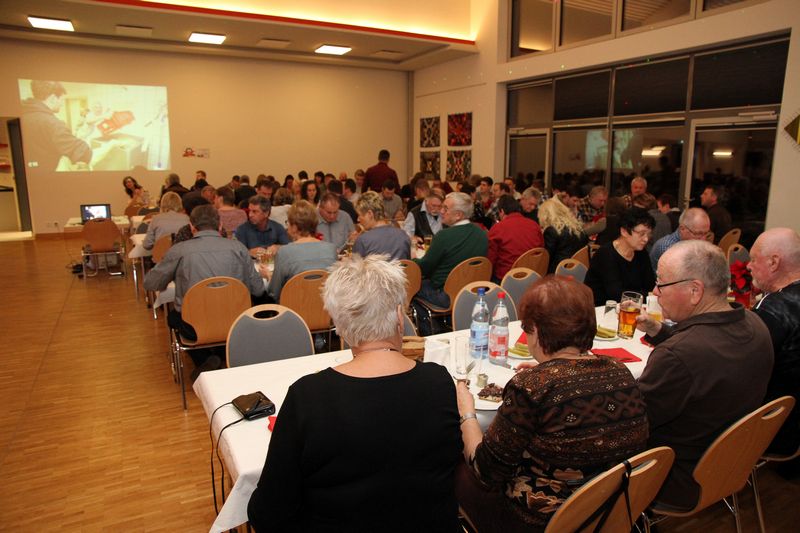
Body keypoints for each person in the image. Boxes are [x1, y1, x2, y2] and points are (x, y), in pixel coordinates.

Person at [248, 255, 462, 530]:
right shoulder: (439, 381)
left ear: (340, 326)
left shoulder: (308, 396)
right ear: (400, 317)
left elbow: (268, 512)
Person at [456, 276, 648, 531]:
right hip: (610, 510)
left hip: (546, 523)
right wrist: (548, 370)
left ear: (535, 332)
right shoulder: (619, 370)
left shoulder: (530, 387)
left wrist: (466, 413)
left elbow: (486, 471)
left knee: (453, 466)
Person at [636, 240, 773, 509]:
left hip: (674, 478)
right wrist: (660, 331)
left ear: (695, 291)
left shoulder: (678, 356)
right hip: (728, 465)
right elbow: (705, 346)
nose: (655, 291)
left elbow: (632, 422)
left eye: (661, 283)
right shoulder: (756, 324)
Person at [143, 205, 265, 373]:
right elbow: (258, 289)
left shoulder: (179, 251)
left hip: (195, 326)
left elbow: (150, 284)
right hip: (236, 323)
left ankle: (204, 360)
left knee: (173, 317)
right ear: (220, 225)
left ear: (192, 227)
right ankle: (222, 355)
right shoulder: (239, 248)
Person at [749, 228, 800, 459]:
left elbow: (741, 363)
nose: (748, 266)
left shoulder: (775, 309)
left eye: (753, 259)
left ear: (773, 262)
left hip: (773, 427)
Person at [413, 192, 488, 334]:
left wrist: (412, 259)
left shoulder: (444, 236)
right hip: (473, 292)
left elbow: (424, 268)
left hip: (445, 295)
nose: (441, 211)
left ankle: (431, 332)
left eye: (445, 208)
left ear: (458, 215)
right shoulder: (482, 234)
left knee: (411, 286)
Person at [264, 200, 338, 302]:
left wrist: (269, 276)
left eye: (288, 223)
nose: (287, 227)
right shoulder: (331, 249)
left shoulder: (285, 252)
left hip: (292, 310)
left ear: (294, 227)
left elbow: (273, 293)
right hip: (324, 308)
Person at [584, 208, 656, 305]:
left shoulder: (641, 253)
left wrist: (651, 294)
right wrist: (649, 296)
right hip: (601, 308)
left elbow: (650, 285)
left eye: (649, 234)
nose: (646, 239)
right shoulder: (606, 254)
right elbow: (616, 294)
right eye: (641, 234)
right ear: (624, 231)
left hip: (629, 307)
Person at [21, 80, 92, 171]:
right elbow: (81, 151)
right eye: (61, 100)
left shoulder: (22, 115)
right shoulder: (53, 124)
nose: (62, 104)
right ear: (53, 98)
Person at [487, 195, 544, 282]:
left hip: (506, 278)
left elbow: (490, 260)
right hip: (532, 276)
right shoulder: (534, 225)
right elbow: (541, 250)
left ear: (502, 211)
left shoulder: (497, 229)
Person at [352, 191, 410, 260]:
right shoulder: (403, 235)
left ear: (370, 214)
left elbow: (355, 266)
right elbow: (408, 264)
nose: (358, 219)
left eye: (359, 215)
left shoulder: (363, 241)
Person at [538, 198, 588, 273]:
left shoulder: (551, 231)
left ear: (546, 215)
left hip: (557, 271)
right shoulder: (578, 229)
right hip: (578, 270)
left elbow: (546, 258)